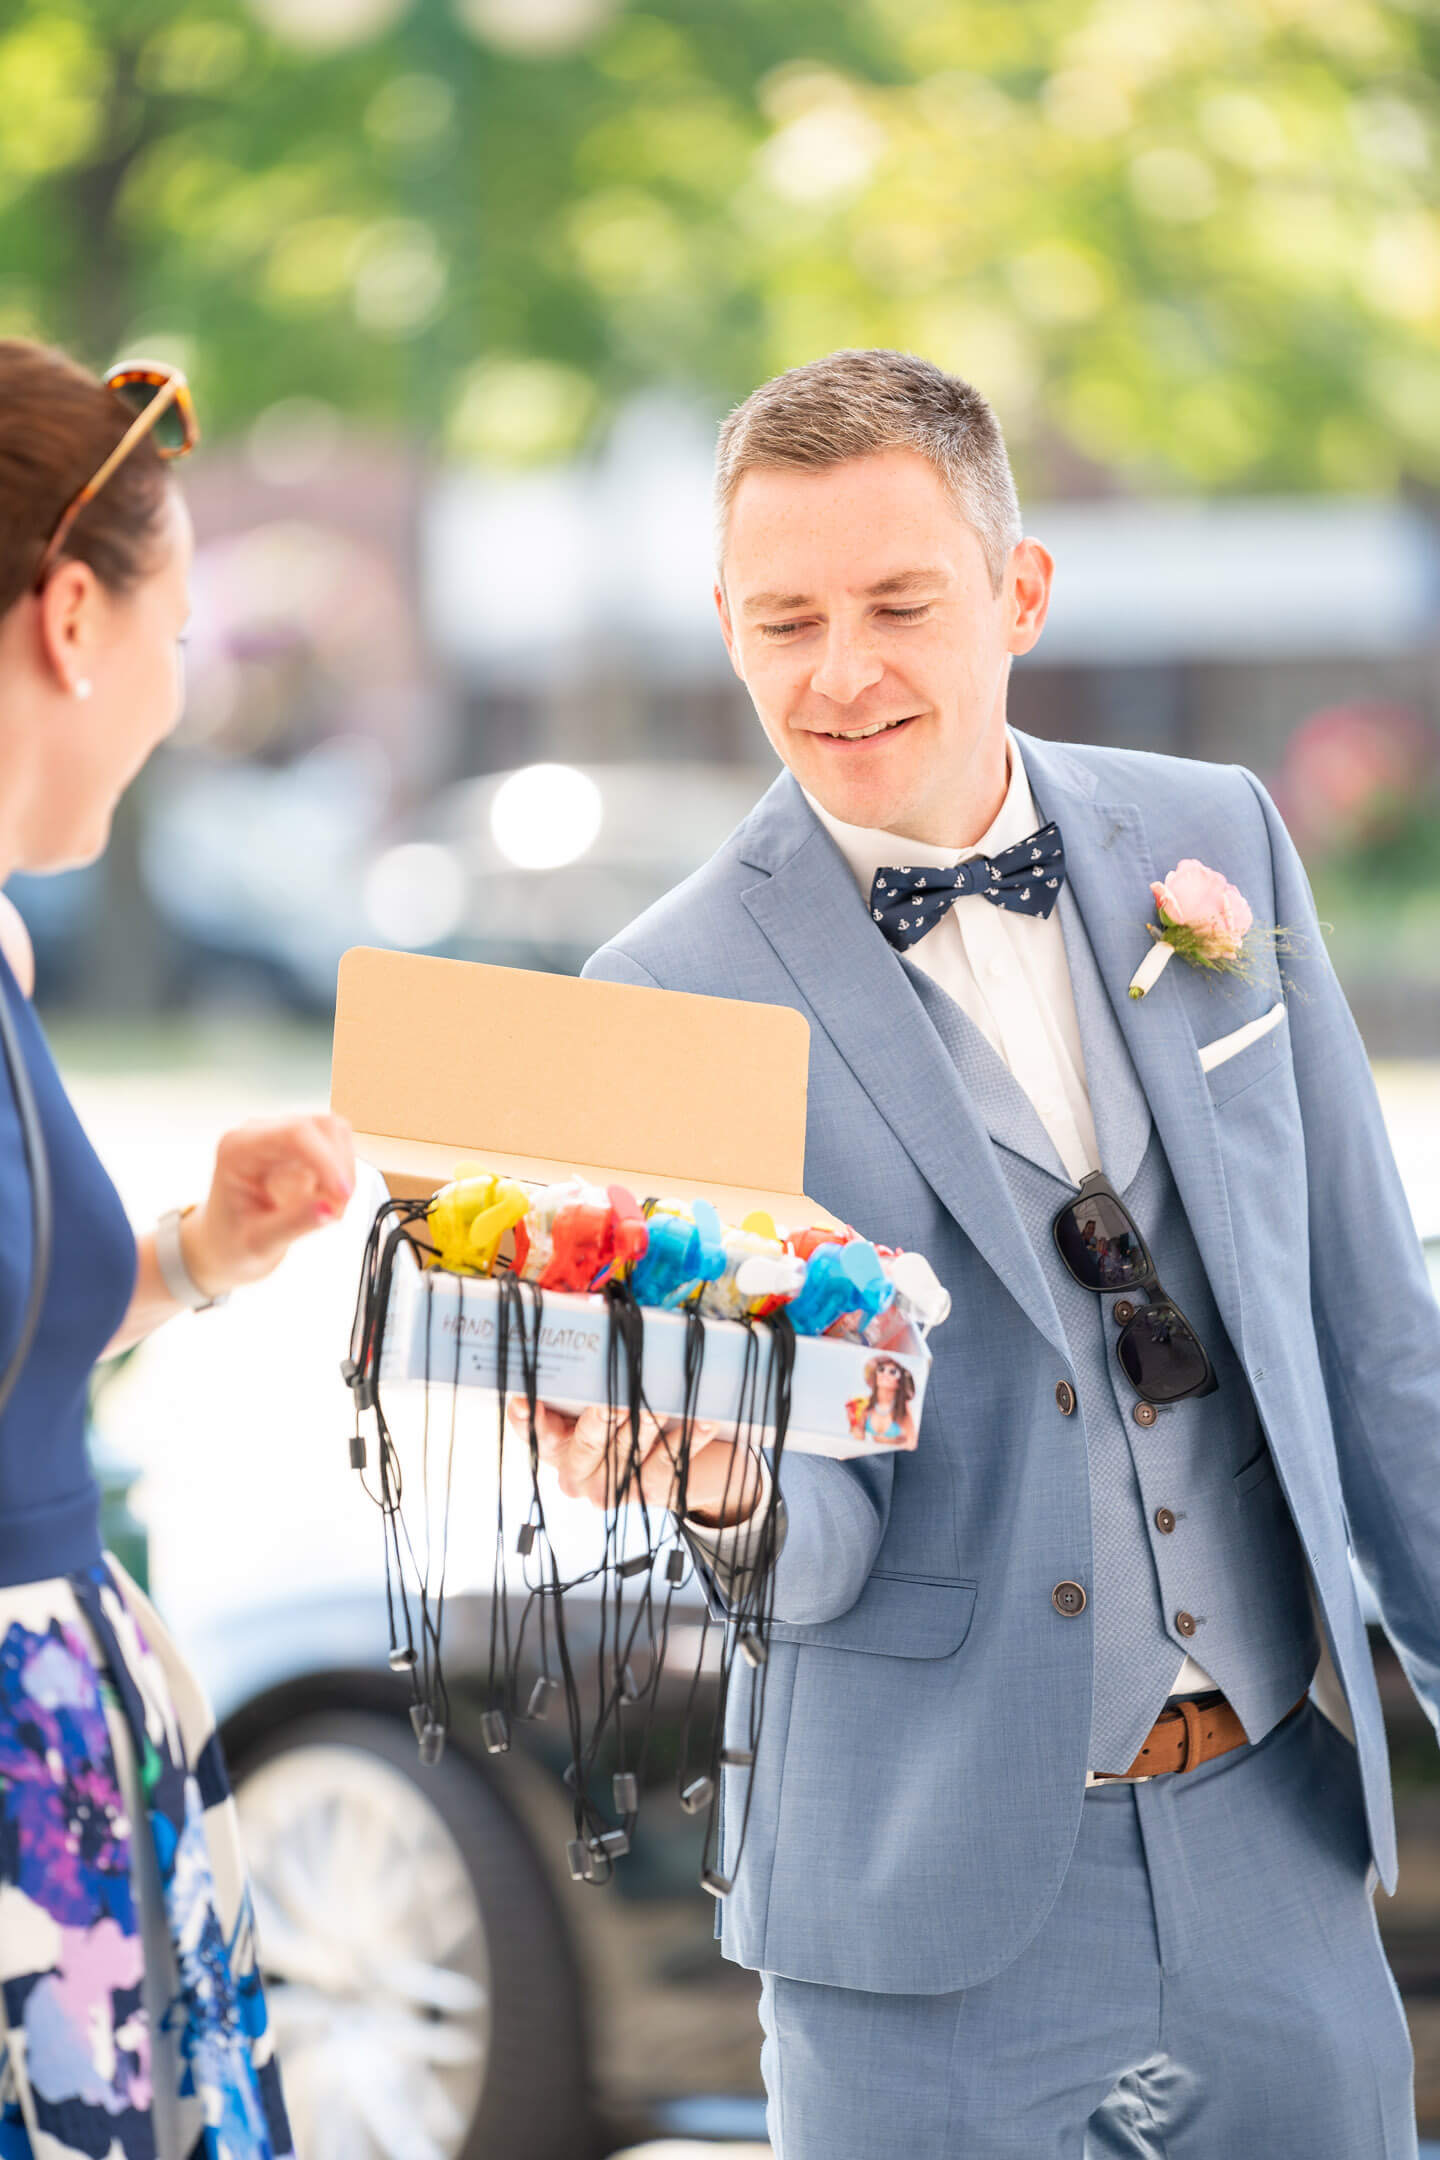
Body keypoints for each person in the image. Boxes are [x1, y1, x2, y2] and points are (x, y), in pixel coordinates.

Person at [532, 349, 1432, 2156]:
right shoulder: (660, 996)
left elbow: (1370, 1336)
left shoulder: (1215, 837)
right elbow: (807, 1555)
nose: (840, 669)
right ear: (723, 625)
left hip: (1275, 1838)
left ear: (1019, 592)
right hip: (918, 1916)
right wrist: (721, 1487)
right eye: (784, 617)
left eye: (896, 602)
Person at [0, 340, 354, 2158]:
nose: (174, 694)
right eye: (176, 632)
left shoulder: (6, 946)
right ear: (74, 616)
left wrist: (197, 1250)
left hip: (67, 1754)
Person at [846, 1355, 916, 1448]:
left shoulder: (902, 1407)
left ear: (899, 1383)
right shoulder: (866, 1404)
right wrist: (853, 1422)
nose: (885, 1374)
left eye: (892, 1372)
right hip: (874, 1455)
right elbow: (859, 1438)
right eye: (881, 1369)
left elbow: (912, 1442)